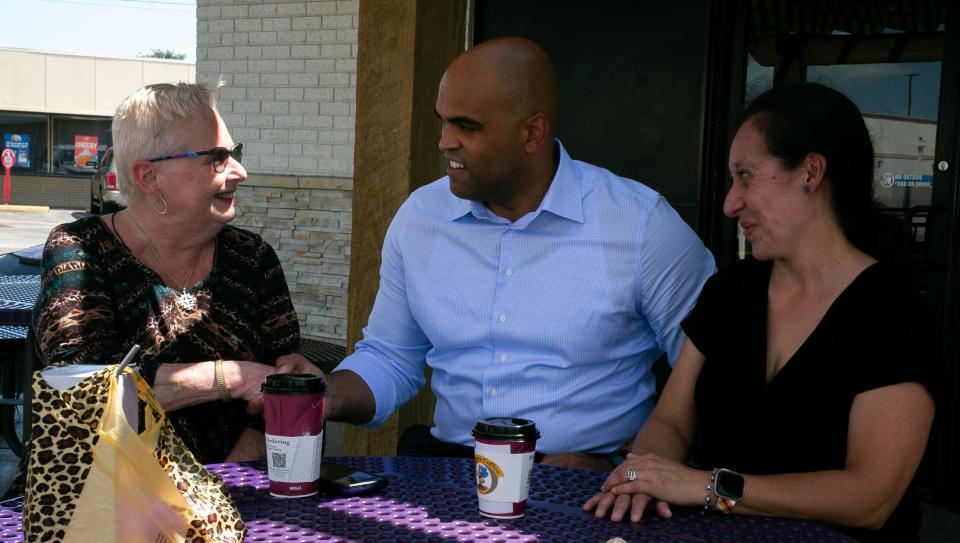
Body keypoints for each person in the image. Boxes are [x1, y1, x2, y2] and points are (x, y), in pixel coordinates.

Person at [584, 82, 942, 543]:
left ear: (811, 173)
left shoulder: (892, 310)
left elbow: (870, 498)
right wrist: (647, 474)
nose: (731, 203)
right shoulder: (731, 290)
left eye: (745, 177)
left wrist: (710, 487)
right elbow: (671, 420)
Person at [323, 37, 715, 470]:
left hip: (588, 481)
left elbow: (709, 372)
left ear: (532, 133)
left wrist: (628, 467)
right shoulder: (421, 217)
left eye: (466, 127)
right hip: (452, 470)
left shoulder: (640, 225)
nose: (444, 142)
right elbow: (391, 356)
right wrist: (324, 395)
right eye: (443, 122)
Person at [29, 82, 319, 466]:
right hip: (104, 501)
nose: (240, 172)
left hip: (237, 493)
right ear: (149, 177)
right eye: (217, 157)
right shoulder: (80, 250)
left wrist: (224, 483)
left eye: (234, 153)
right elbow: (83, 391)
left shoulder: (252, 258)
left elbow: (275, 392)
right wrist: (228, 378)